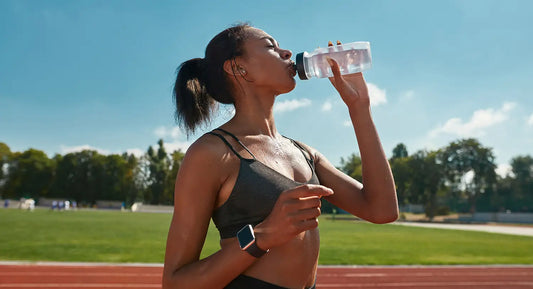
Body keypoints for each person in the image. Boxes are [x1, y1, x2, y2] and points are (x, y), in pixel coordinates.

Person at [162, 24, 398, 289]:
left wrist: (359, 107)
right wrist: (262, 236)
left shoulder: (303, 152)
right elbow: (176, 282)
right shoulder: (211, 153)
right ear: (238, 67)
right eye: (270, 46)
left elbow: (382, 210)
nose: (287, 53)